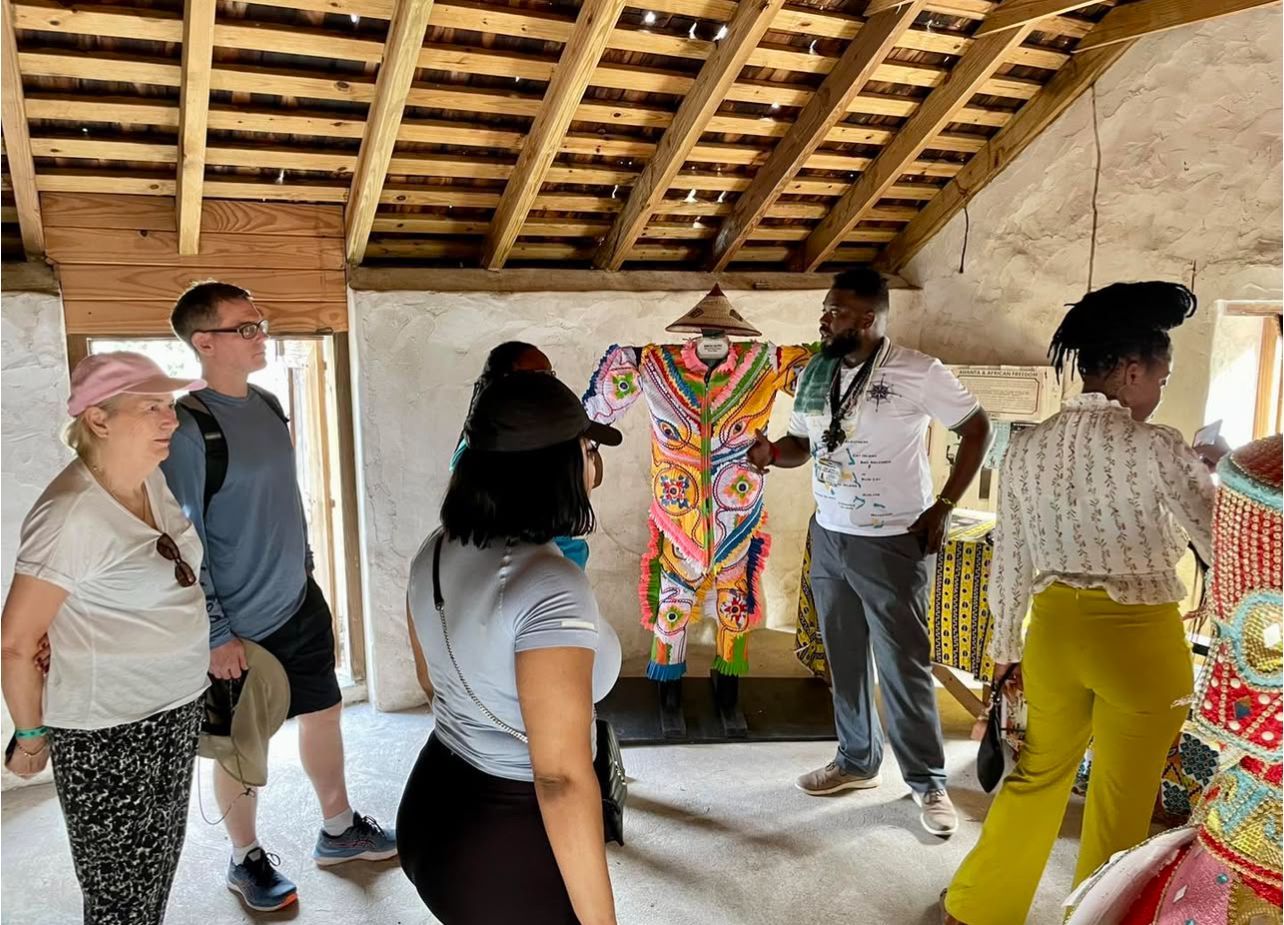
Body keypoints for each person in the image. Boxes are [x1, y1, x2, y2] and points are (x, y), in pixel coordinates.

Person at [941, 282, 1221, 925]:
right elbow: (1219, 541)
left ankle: (978, 908)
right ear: (1131, 371)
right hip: (1140, 640)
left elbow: (1010, 557)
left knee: (1037, 775)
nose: (1159, 393)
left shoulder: (1027, 446)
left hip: (1054, 633)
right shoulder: (1157, 445)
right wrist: (1220, 475)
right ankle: (1097, 917)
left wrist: (1003, 652)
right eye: (1161, 378)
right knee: (1123, 799)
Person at [160, 281, 395, 913]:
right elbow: (180, 540)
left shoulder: (266, 403)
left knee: (325, 711)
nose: (260, 334)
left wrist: (307, 569)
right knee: (242, 747)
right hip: (239, 626)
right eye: (245, 327)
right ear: (204, 342)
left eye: (259, 323)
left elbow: (284, 499)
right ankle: (245, 859)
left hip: (299, 601)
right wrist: (215, 632)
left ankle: (339, 830)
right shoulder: (189, 429)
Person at [747, 268, 991, 837]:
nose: (824, 320)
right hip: (830, 534)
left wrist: (944, 505)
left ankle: (927, 781)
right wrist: (769, 454)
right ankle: (857, 761)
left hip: (893, 540)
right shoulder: (816, 372)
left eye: (834, 311)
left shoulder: (918, 371)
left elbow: (977, 428)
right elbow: (802, 445)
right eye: (825, 309)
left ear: (868, 317)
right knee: (845, 659)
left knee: (903, 665)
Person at [399, 371, 623, 925]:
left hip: (433, 802)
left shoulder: (435, 549)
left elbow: (431, 682)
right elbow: (560, 780)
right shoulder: (549, 586)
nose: (593, 464)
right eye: (588, 449)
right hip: (502, 840)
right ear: (557, 467)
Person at [1, 352, 210, 924]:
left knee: (157, 870)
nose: (170, 418)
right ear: (98, 419)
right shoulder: (70, 514)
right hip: (109, 733)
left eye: (170, 405)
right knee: (120, 897)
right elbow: (17, 641)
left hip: (175, 709)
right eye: (151, 407)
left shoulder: (150, 479)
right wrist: (31, 738)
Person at [450, 342, 602, 570]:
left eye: (550, 374)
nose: (549, 383)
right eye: (540, 375)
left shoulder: (531, 436)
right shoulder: (485, 449)